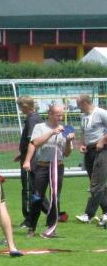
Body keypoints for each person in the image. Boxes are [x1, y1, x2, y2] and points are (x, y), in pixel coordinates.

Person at [23, 104, 74, 238]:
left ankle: (51, 228)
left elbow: (67, 153)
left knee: (55, 197)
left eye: (62, 115)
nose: (60, 117)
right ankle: (32, 227)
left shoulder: (66, 128)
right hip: (42, 166)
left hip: (58, 166)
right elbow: (35, 143)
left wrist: (68, 142)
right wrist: (52, 132)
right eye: (58, 115)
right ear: (50, 114)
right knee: (37, 197)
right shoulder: (40, 127)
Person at [76, 94, 107, 224]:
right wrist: (82, 144)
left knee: (96, 184)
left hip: (102, 150)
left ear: (84, 103)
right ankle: (106, 213)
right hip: (89, 151)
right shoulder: (83, 117)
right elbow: (83, 132)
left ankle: (88, 214)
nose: (77, 107)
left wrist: (103, 140)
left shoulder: (101, 113)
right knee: (97, 184)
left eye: (78, 105)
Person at [15, 96, 42, 229]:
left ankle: (29, 219)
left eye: (20, 107)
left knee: (28, 189)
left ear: (25, 106)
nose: (20, 109)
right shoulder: (35, 118)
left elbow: (33, 141)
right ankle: (52, 213)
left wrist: (26, 158)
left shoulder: (32, 119)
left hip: (30, 160)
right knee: (36, 188)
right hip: (31, 157)